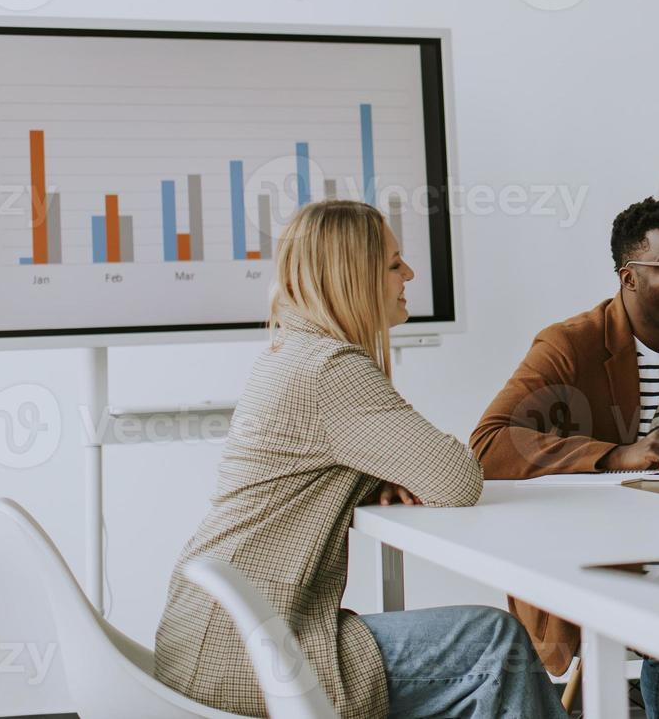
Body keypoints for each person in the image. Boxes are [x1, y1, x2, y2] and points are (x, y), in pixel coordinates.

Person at [154, 200, 566, 719]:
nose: (409, 274)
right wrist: (388, 471)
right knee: (494, 641)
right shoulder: (330, 370)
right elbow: (458, 478)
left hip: (212, 634)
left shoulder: (291, 352)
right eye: (395, 264)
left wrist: (374, 478)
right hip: (248, 651)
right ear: (354, 276)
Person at [470, 198, 659, 719]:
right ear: (629, 277)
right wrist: (617, 455)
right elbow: (490, 441)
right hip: (599, 550)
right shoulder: (570, 344)